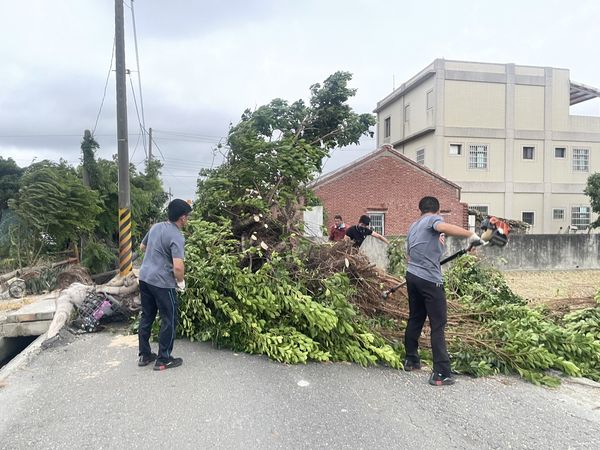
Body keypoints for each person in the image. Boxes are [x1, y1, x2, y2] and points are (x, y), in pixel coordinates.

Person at [403, 196, 482, 386]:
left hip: (412, 276)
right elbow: (443, 228)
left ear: (419, 209)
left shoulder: (414, 226)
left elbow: (408, 256)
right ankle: (441, 372)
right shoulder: (433, 220)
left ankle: (411, 360)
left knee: (415, 318)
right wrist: (470, 235)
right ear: (437, 211)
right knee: (438, 325)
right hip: (430, 280)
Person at [137, 198, 192, 371]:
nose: (187, 220)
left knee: (147, 316)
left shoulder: (155, 227)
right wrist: (181, 282)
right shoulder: (176, 235)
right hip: (162, 283)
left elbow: (142, 247)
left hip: (145, 278)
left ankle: (145, 355)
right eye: (187, 217)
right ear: (182, 218)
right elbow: (177, 266)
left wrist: (157, 254)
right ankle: (163, 359)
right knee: (169, 319)